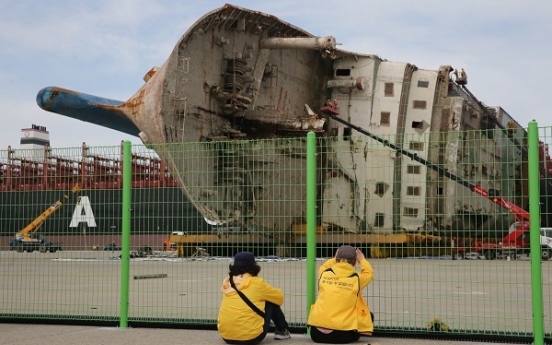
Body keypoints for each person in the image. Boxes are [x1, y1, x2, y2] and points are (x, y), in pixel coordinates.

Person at [217, 251, 291, 344]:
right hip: (251, 337)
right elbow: (279, 297)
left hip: (226, 336)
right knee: (271, 300)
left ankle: (232, 331)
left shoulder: (228, 282)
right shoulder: (257, 283)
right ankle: (282, 331)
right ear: (254, 266)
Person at [307, 245, 374, 344]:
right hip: (342, 336)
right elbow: (368, 273)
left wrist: (335, 258)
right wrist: (362, 260)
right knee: (369, 315)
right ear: (355, 262)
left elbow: (324, 266)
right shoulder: (356, 278)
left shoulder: (325, 273)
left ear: (336, 259)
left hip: (316, 335)